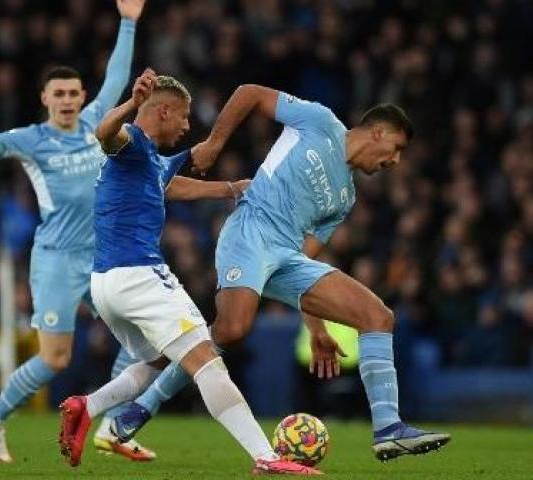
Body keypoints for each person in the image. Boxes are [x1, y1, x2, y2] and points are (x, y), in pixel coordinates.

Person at [0, 0, 215, 464]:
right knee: (55, 359)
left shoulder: (98, 124)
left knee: (143, 341)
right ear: (45, 99)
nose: (66, 100)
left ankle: (111, 429)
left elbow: (118, 76)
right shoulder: (30, 141)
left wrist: (127, 21)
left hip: (106, 258)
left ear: (82, 97)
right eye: (57, 93)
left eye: (73, 93)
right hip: (58, 258)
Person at [57, 70, 322, 475]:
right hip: (139, 274)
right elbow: (104, 134)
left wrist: (232, 188)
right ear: (163, 110)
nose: (186, 126)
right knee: (206, 359)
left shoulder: (146, 161)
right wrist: (131, 102)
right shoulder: (130, 142)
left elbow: (169, 184)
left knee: (163, 361)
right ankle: (266, 457)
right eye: (183, 117)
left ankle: (86, 407)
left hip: (106, 283)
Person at [187, 84, 451, 461]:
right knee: (231, 329)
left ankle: (388, 428)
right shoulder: (320, 121)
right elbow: (249, 93)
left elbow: (304, 263)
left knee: (378, 317)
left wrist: (316, 329)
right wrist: (214, 143)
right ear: (378, 132)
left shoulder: (345, 198)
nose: (395, 161)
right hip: (251, 228)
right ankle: (144, 401)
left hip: (284, 255)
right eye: (397, 148)